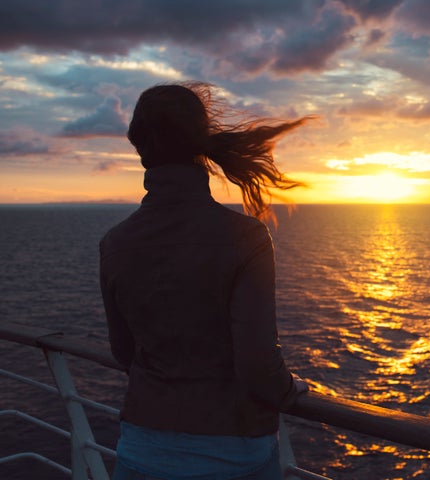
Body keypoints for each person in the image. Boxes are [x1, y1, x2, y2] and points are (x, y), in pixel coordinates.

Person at [100, 82, 309, 480]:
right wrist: (289, 391)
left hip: (140, 450)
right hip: (232, 455)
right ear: (202, 142)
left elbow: (124, 351)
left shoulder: (115, 242)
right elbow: (257, 364)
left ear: (139, 146)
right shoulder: (245, 238)